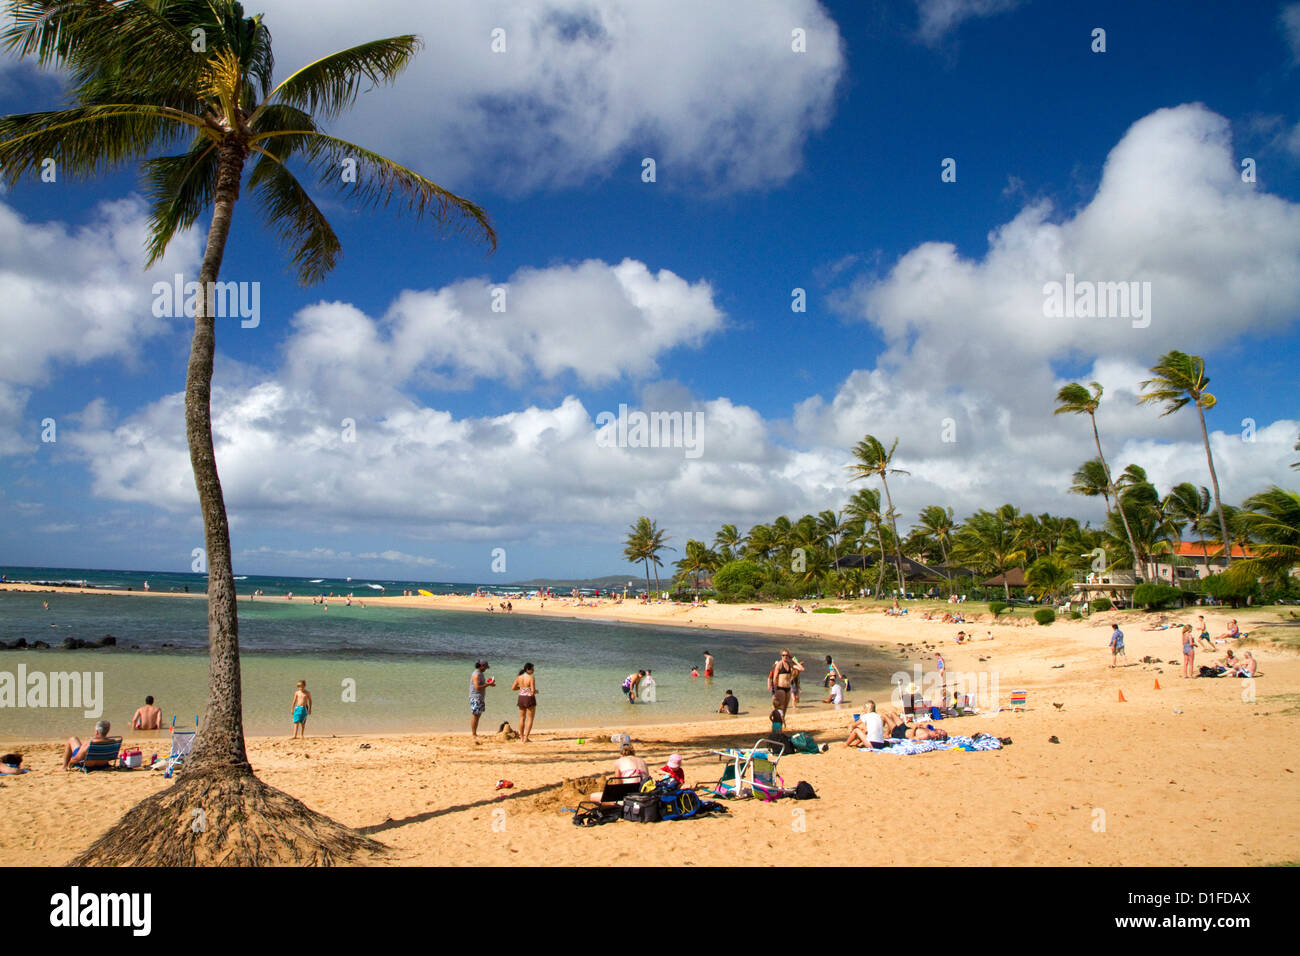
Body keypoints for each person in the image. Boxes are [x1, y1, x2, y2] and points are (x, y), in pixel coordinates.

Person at [768, 649, 802, 714]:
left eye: (786, 655)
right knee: (780, 707)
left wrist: (794, 660)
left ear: (789, 656)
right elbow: (775, 678)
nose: (785, 657)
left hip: (788, 689)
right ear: (781, 656)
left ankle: (781, 721)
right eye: (783, 655)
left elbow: (801, 668)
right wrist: (775, 690)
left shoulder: (790, 664)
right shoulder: (779, 664)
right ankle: (776, 722)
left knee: (785, 709)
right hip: (780, 688)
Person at [511, 663, 536, 743]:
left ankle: (521, 737)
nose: (533, 670)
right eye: (532, 669)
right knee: (530, 718)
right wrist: (536, 691)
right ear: (528, 670)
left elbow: (513, 688)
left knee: (522, 718)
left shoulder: (519, 677)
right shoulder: (531, 678)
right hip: (529, 698)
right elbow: (532, 691)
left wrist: (522, 688)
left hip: (521, 698)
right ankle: (526, 737)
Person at [470, 660, 491, 737]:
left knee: (478, 715)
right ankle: (474, 734)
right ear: (481, 666)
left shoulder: (480, 673)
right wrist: (488, 684)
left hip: (480, 697)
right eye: (485, 667)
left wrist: (488, 684)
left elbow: (481, 685)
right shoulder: (476, 675)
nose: (486, 669)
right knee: (475, 715)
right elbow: (477, 687)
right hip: (476, 697)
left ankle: (475, 733)